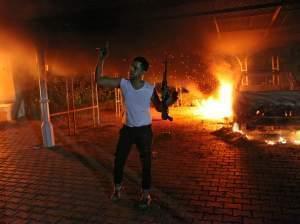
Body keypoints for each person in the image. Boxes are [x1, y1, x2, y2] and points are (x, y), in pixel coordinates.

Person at [95, 48, 178, 209]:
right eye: (131, 66)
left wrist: (170, 100)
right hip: (127, 130)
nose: (131, 69)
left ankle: (145, 195)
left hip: (144, 131)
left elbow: (160, 108)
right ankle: (118, 189)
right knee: (119, 161)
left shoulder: (149, 89)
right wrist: (101, 60)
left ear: (142, 72)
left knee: (146, 164)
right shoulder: (123, 83)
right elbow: (99, 80)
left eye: (135, 68)